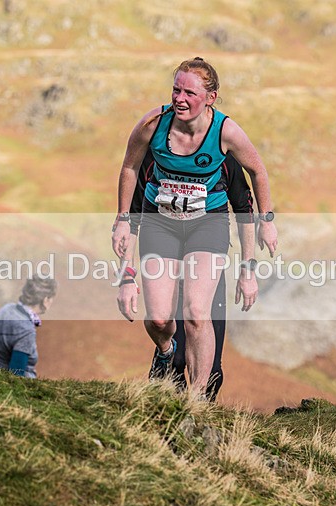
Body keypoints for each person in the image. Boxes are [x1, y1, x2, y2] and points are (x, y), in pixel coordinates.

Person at [112, 57, 277, 396]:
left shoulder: (226, 132)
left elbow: (258, 172)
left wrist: (267, 221)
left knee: (197, 313)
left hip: (208, 226)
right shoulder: (152, 124)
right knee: (158, 320)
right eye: (176, 90)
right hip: (162, 225)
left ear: (210, 98)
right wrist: (122, 220)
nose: (180, 99)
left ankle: (199, 398)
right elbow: (129, 168)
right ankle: (165, 352)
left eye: (189, 92)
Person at [123, 147, 256, 401]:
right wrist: (127, 274)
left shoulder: (222, 154)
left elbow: (244, 206)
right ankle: (161, 418)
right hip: (168, 264)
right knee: (175, 361)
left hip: (206, 266)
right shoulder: (155, 153)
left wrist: (248, 270)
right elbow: (133, 212)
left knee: (213, 372)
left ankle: (198, 418)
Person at [0, 275, 57, 378]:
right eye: (51, 299)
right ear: (45, 300)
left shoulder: (6, 309)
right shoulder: (26, 330)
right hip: (9, 384)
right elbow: (16, 375)